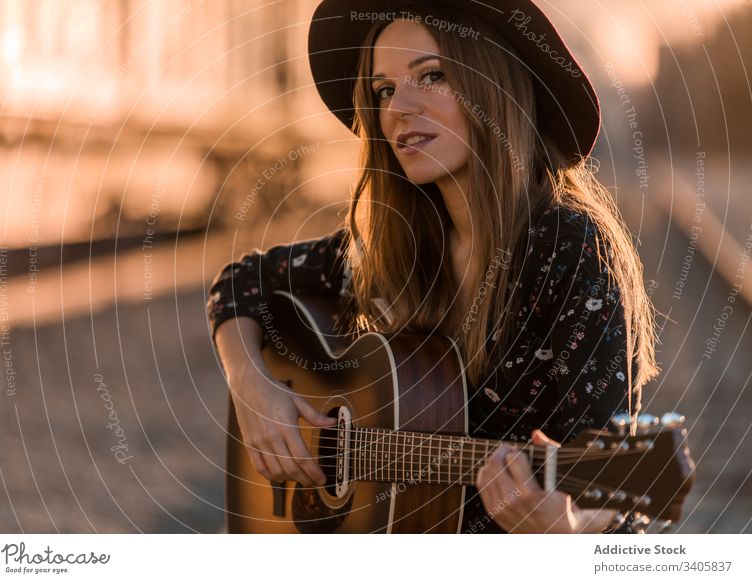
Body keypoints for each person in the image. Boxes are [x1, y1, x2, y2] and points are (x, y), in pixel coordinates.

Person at [207, 0, 660, 534]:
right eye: (384, 90)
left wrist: (565, 533)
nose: (399, 106)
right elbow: (240, 284)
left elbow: (619, 518)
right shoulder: (393, 246)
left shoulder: (570, 251)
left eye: (432, 75)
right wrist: (252, 386)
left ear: (494, 87)